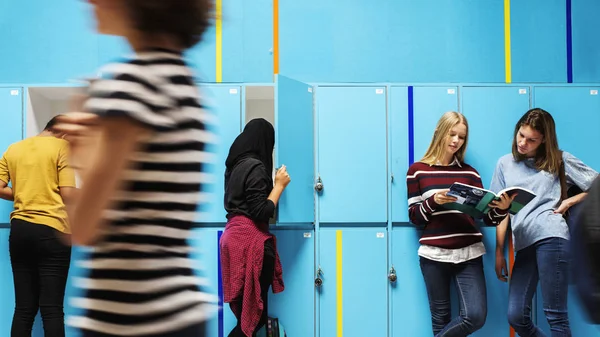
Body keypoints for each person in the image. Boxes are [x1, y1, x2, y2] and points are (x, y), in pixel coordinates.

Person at [53, 0, 217, 336]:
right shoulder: (183, 80)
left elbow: (81, 228)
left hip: (133, 318)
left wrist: (77, 150)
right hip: (177, 310)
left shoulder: (130, 84)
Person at [492, 108, 599, 337]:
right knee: (516, 315)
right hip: (523, 243)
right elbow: (499, 211)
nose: (523, 143)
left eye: (532, 140)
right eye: (521, 135)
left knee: (555, 315)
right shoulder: (504, 164)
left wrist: (569, 201)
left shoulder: (559, 160)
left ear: (543, 141)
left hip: (553, 237)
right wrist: (499, 250)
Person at [406, 111, 513, 337]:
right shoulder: (417, 171)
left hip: (469, 253)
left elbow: (485, 218)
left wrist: (501, 211)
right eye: (451, 134)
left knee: (475, 316)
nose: (456, 141)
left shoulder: (470, 173)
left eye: (461, 137)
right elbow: (415, 217)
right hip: (433, 255)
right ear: (439, 132)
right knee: (440, 320)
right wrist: (434, 201)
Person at [0, 115, 77, 337]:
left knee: (24, 308)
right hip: (53, 231)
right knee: (52, 309)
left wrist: (28, 192)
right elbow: (68, 194)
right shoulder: (62, 147)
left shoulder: (14, 149)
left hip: (20, 231)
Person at [219, 118, 290, 337]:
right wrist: (278, 186)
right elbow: (261, 211)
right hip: (251, 242)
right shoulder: (256, 167)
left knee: (246, 317)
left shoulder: (235, 168)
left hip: (233, 239)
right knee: (255, 318)